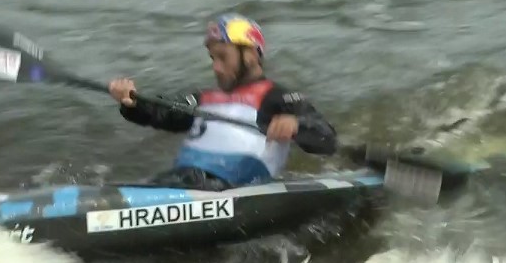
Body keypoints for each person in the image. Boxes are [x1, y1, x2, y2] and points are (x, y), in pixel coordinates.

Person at [108, 13, 338, 191]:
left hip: (231, 188)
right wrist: (132, 102)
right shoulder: (204, 98)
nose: (216, 67)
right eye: (212, 58)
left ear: (251, 55)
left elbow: (326, 138)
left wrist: (296, 125)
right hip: (183, 183)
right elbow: (164, 112)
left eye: (223, 57)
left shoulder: (277, 97)